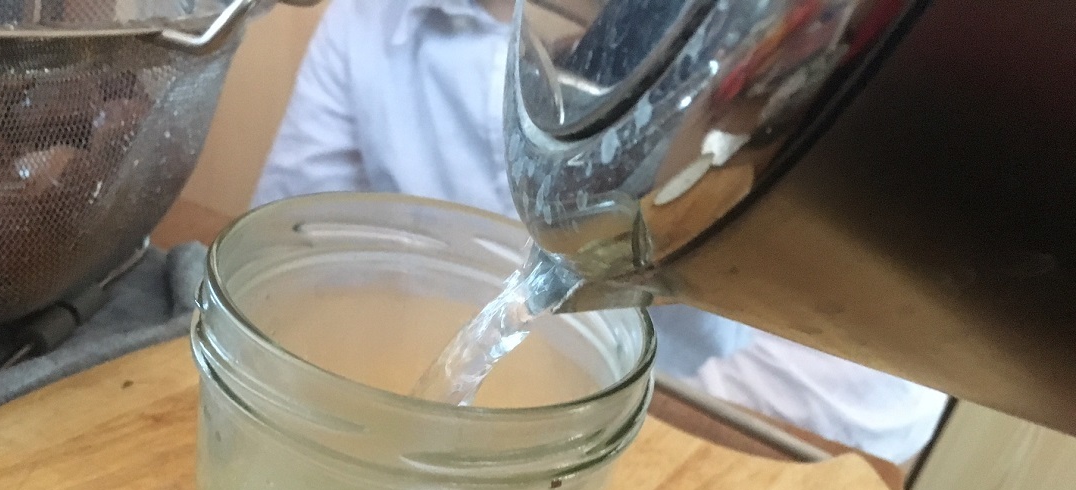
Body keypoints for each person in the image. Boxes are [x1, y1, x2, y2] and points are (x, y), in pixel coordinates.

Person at [251, 0, 948, 463]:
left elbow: (872, 399)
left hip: (700, 434)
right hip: (435, 399)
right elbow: (290, 262)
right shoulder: (369, 23)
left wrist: (605, 430)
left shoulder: (777, 39)